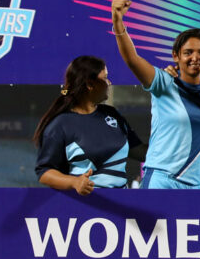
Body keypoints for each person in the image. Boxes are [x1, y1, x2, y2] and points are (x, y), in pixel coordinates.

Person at [111, 0, 200, 189]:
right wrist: (117, 21)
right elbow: (132, 59)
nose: (195, 57)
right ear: (176, 55)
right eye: (188, 52)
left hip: (196, 185)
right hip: (161, 179)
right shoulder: (164, 82)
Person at [34, 56, 143, 194]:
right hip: (85, 204)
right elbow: (44, 172)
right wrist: (74, 182)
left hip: (122, 203)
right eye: (105, 78)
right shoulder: (60, 124)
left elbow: (139, 151)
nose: (109, 83)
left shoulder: (112, 113)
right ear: (90, 85)